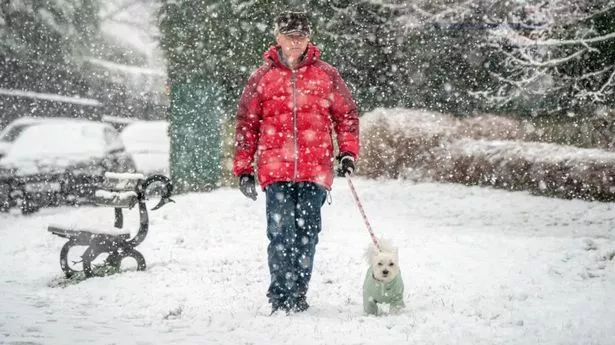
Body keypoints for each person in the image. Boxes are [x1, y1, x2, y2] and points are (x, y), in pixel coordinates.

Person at [232, 10, 360, 314]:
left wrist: (348, 152)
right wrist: (243, 169)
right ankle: (279, 295)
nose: (295, 42)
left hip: (315, 170)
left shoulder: (327, 74)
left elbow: (346, 116)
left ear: (309, 38)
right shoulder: (261, 77)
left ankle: (298, 293)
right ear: (277, 38)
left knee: (307, 234)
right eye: (289, 36)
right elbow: (246, 125)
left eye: (300, 36)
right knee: (280, 234)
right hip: (276, 170)